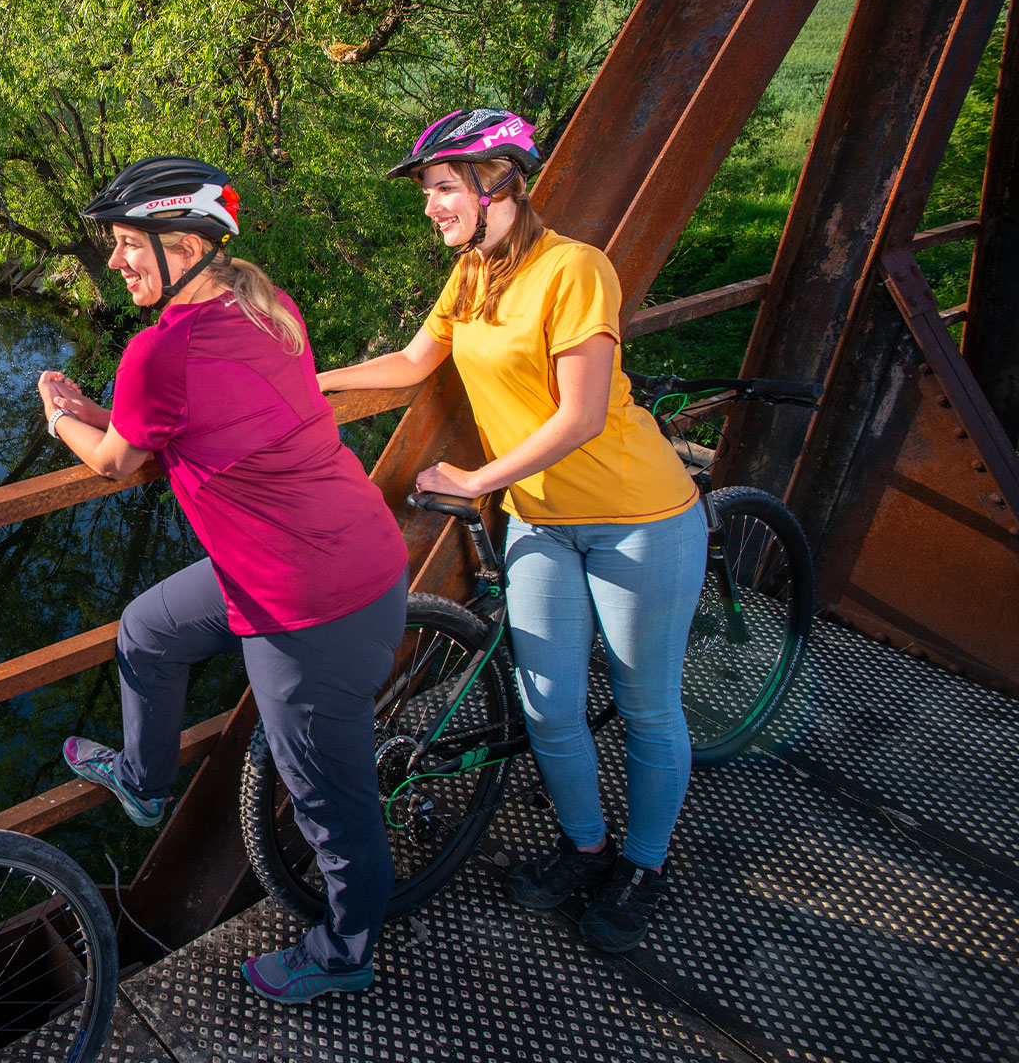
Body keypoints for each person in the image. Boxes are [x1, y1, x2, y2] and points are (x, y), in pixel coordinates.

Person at [317, 107, 707, 953]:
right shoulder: (472, 276)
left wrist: (475, 479)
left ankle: (643, 865)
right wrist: (311, 382)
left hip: (638, 519)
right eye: (429, 191)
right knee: (550, 705)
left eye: (444, 188)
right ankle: (585, 846)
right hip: (541, 521)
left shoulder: (576, 269)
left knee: (646, 708)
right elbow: (413, 364)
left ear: (500, 184)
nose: (431, 207)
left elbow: (583, 414)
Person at [38, 156, 409, 1003]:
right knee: (150, 629)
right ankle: (143, 778)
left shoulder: (158, 349)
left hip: (311, 604)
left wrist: (61, 412)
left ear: (184, 246)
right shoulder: (265, 304)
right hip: (328, 553)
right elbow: (174, 422)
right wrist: (106, 413)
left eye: (130, 246)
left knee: (330, 809)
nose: (116, 263)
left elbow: (114, 460)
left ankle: (346, 952)